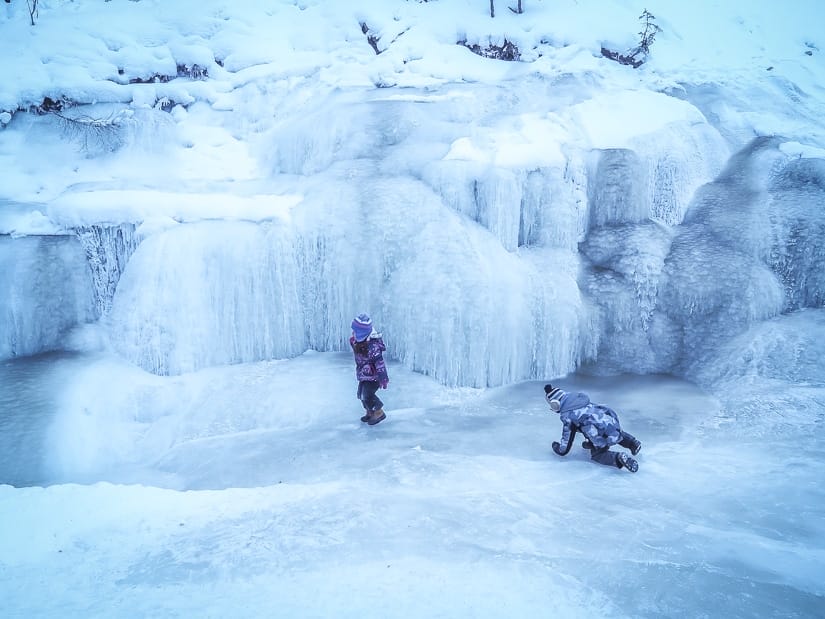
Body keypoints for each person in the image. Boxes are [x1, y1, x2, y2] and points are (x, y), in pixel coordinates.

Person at [544, 383, 641, 473]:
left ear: (555, 404)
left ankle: (618, 458)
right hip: (609, 421)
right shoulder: (579, 400)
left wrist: (560, 449)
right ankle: (633, 443)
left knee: (598, 455)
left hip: (597, 432)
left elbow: (567, 437)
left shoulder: (568, 415)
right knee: (615, 433)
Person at [350, 313, 389, 426]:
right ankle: (370, 412)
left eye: (356, 331)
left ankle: (378, 412)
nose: (354, 333)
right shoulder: (359, 342)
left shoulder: (373, 346)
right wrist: (353, 341)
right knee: (360, 394)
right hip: (364, 375)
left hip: (374, 377)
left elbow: (379, 363)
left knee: (366, 395)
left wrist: (383, 378)